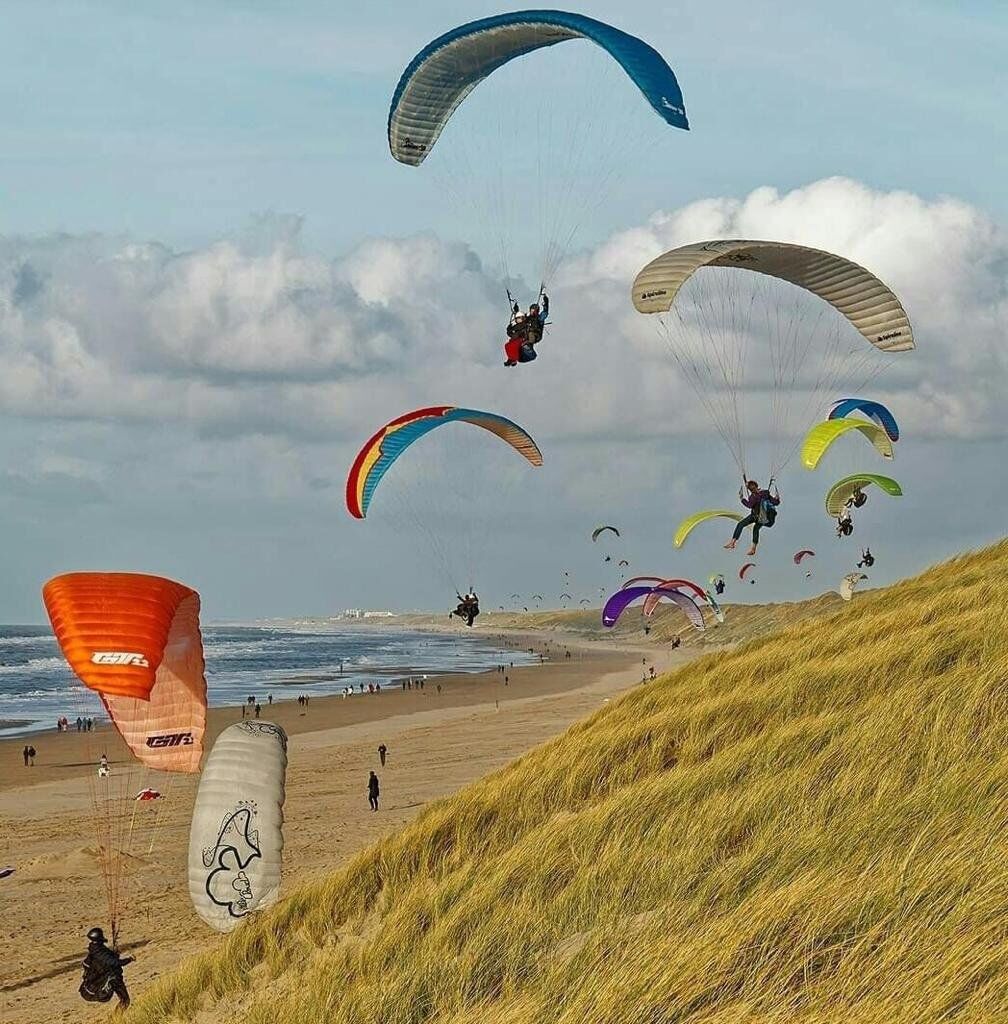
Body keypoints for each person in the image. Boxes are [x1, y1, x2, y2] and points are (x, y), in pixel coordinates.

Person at [79, 926, 132, 1009]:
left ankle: (116, 1019)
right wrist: (130, 959)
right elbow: (114, 962)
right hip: (111, 979)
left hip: (109, 978)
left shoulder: (95, 949)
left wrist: (115, 954)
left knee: (124, 1000)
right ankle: (116, 1020)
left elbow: (109, 957)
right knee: (125, 1000)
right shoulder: (99, 952)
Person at [724, 478, 780, 556]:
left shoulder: (753, 497)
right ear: (757, 486)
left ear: (750, 490)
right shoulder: (765, 493)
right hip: (764, 518)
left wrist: (742, 499)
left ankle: (732, 543)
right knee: (756, 528)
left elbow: (749, 505)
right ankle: (753, 548)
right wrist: (777, 498)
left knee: (741, 524)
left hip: (755, 516)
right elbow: (775, 502)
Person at [504, 292, 549, 366]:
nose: (532, 312)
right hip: (524, 338)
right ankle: (512, 358)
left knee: (529, 333)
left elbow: (545, 314)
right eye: (531, 310)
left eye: (533, 311)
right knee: (511, 343)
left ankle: (525, 348)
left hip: (534, 335)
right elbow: (520, 319)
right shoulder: (527, 319)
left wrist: (546, 304)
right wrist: (516, 310)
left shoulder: (538, 319)